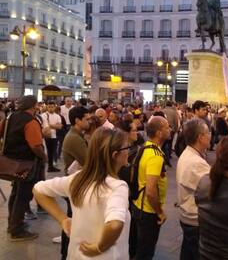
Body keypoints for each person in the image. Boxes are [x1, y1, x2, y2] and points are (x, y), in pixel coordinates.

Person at [33, 128, 131, 259]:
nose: (128, 151)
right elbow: (115, 224)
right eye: (126, 148)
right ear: (115, 155)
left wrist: (63, 219)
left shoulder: (77, 178)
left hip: (77, 254)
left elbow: (38, 189)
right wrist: (99, 247)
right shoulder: (117, 187)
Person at [1, 95, 47, 241]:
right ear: (33, 106)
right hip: (26, 164)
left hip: (12, 163)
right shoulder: (31, 122)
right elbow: (35, 146)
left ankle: (12, 224)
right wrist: (44, 156)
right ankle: (17, 230)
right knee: (23, 196)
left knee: (16, 193)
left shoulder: (10, 117)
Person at [133, 116, 171, 259]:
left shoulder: (146, 147)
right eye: (167, 127)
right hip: (148, 211)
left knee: (140, 248)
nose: (170, 129)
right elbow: (151, 191)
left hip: (139, 205)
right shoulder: (155, 156)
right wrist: (159, 212)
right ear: (159, 133)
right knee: (145, 252)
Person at [176, 119, 211, 260]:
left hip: (188, 216)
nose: (210, 136)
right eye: (208, 133)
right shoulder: (196, 162)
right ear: (200, 137)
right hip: (195, 219)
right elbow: (212, 188)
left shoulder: (190, 154)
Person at [59, 106, 90, 258]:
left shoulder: (77, 135)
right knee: (72, 222)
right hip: (75, 185)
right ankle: (66, 253)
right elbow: (89, 161)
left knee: (73, 220)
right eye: (87, 119)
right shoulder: (74, 138)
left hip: (76, 183)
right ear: (78, 120)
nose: (89, 121)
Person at [42, 101, 63, 172]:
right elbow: (45, 126)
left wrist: (50, 125)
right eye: (49, 107)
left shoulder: (57, 116)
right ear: (47, 107)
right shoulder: (44, 115)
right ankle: (49, 166)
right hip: (47, 136)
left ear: (55, 107)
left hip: (55, 136)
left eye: (52, 107)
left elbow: (60, 127)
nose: (51, 108)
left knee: (52, 151)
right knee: (48, 151)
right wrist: (55, 126)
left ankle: (51, 166)